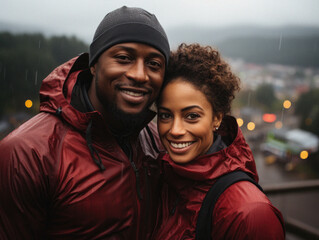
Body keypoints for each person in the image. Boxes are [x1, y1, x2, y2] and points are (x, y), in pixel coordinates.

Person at [0, 6, 169, 239]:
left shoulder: (159, 142)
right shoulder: (28, 153)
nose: (140, 74)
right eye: (123, 58)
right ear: (94, 64)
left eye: (154, 64)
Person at [151, 43, 285, 239]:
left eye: (192, 116)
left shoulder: (250, 214)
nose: (175, 130)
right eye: (165, 116)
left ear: (216, 118)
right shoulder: (165, 179)